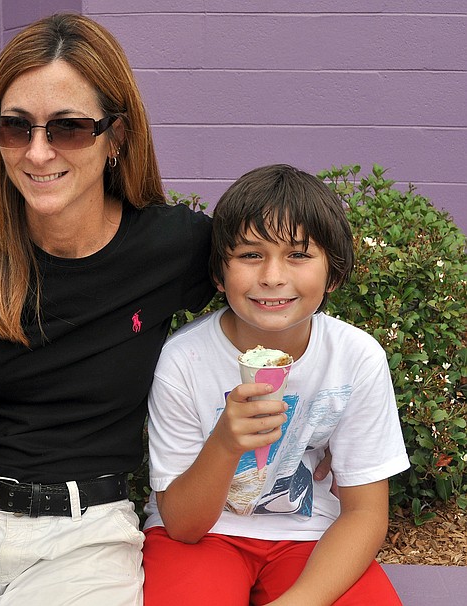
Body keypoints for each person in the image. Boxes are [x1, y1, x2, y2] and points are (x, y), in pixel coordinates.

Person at [0, 12, 216, 606]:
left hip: (89, 534)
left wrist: (303, 431)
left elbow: (270, 306)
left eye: (66, 128)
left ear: (116, 136)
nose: (37, 154)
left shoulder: (176, 247)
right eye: (16, 128)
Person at [141, 164, 410, 605]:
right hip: (203, 536)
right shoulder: (184, 360)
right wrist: (226, 442)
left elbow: (364, 514)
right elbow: (183, 525)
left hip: (312, 535)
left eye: (299, 255)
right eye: (250, 255)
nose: (272, 276)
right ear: (218, 272)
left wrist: (301, 601)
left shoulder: (355, 357)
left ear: (334, 274)